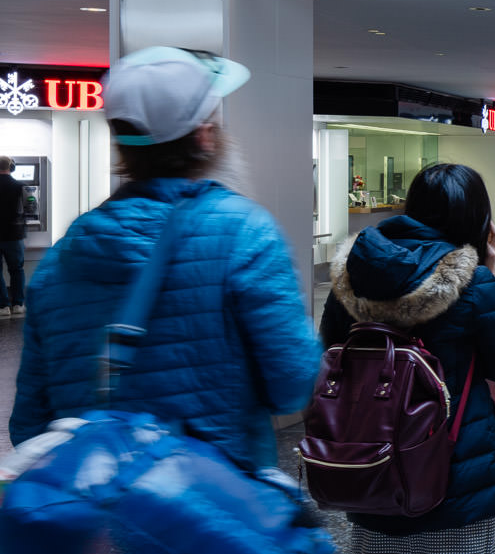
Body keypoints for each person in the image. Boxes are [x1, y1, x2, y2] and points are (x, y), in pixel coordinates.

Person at [9, 46, 320, 477]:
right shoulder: (244, 232)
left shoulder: (64, 256)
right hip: (215, 509)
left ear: (121, 142)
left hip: (100, 524)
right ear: (204, 136)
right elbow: (292, 384)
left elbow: (29, 425)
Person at [323, 162, 495, 552]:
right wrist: (486, 273)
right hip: (457, 477)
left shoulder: (352, 274)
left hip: (370, 468)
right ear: (476, 216)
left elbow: (329, 354)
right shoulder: (473, 282)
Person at [0, 156, 26, 315]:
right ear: (11, 167)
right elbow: (31, 208)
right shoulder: (19, 185)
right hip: (14, 235)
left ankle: (2, 306)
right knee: (16, 269)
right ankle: (18, 305)